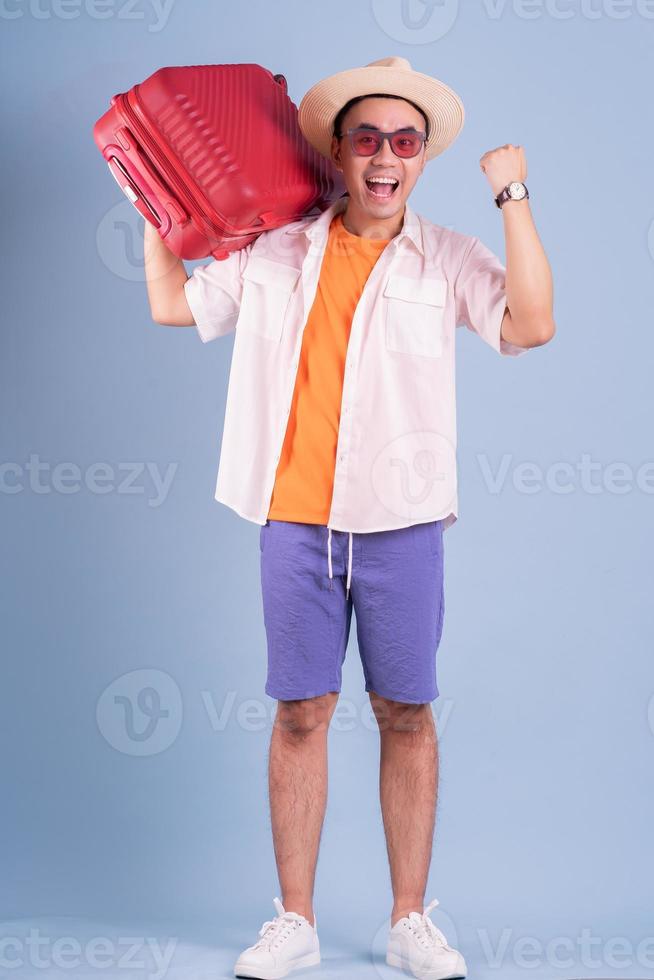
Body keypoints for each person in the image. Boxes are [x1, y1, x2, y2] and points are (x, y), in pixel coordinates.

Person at [145, 56, 555, 980]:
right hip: (292, 521)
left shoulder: (446, 255)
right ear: (337, 151)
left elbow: (530, 324)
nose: (383, 157)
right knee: (299, 714)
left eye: (402, 142)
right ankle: (294, 919)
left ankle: (412, 917)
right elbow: (173, 302)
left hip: (402, 526)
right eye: (365, 138)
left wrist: (513, 194)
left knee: (407, 712)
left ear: (420, 160)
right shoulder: (273, 248)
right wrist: (151, 198)